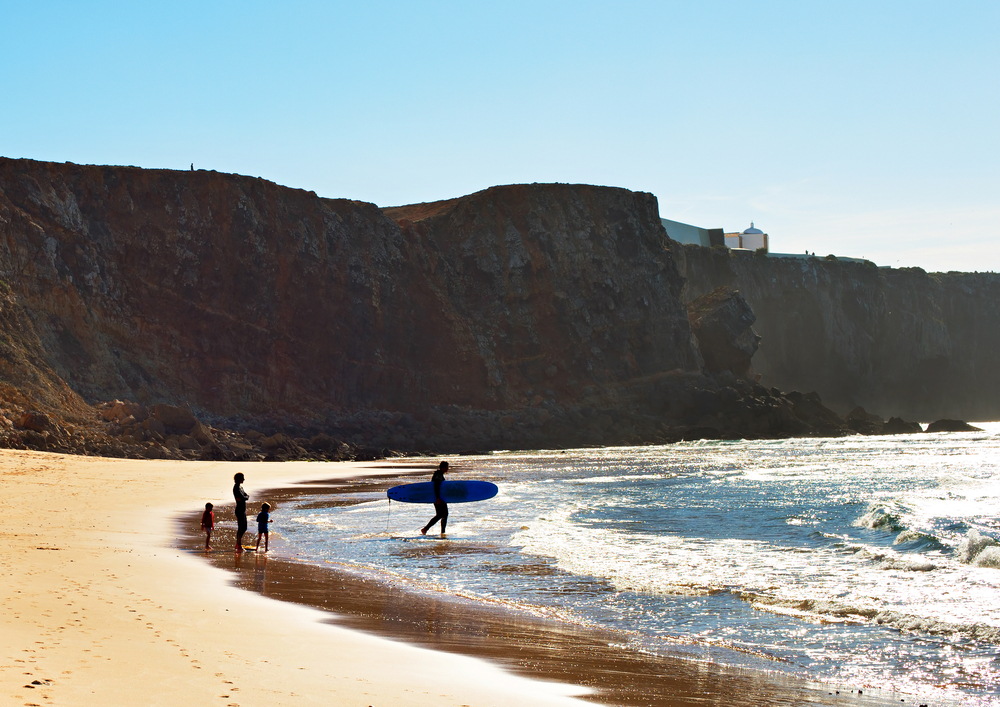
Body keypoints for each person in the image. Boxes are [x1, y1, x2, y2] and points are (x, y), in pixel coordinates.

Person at [421, 461, 449, 536]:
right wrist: (438, 498)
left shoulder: (439, 474)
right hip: (438, 497)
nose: (447, 469)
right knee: (442, 514)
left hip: (439, 497)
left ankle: (441, 531)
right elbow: (436, 487)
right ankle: (426, 529)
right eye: (446, 467)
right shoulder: (438, 476)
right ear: (443, 467)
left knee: (443, 514)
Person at [233, 472, 249, 553]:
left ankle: (238, 543)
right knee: (240, 527)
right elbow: (244, 497)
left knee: (244, 527)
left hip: (243, 510)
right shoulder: (236, 487)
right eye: (242, 478)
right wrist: (245, 497)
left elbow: (246, 496)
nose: (244, 479)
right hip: (239, 510)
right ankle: (238, 545)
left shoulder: (240, 487)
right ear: (239, 479)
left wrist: (245, 497)